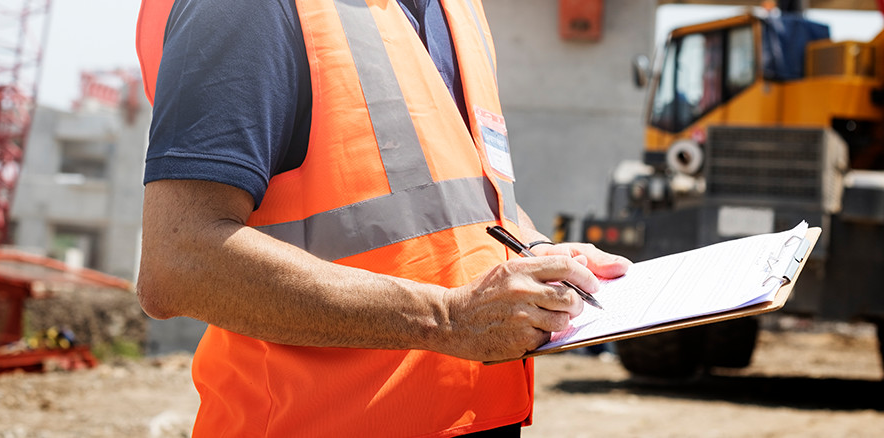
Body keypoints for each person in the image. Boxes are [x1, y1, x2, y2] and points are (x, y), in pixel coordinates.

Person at [134, 0, 631, 436]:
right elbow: (178, 262)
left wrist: (538, 250)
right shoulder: (253, 11)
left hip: (472, 418)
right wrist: (446, 318)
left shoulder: (458, 11)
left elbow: (465, 201)